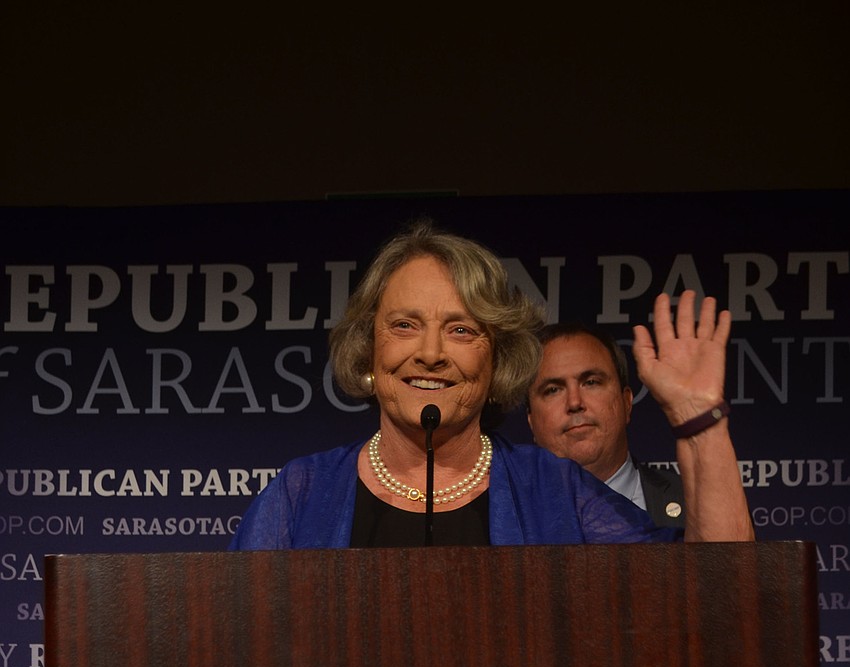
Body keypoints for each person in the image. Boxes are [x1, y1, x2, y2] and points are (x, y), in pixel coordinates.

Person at [229, 220, 754, 550]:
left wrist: (699, 419)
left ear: (497, 358)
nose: (430, 354)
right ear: (369, 348)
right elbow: (229, 648)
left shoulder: (552, 489)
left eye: (461, 330)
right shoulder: (303, 492)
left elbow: (713, 602)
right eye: (404, 325)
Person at [526, 323, 687, 528]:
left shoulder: (693, 502)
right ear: (530, 421)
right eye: (553, 390)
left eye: (591, 382)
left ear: (626, 403)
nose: (575, 402)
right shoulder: (504, 517)